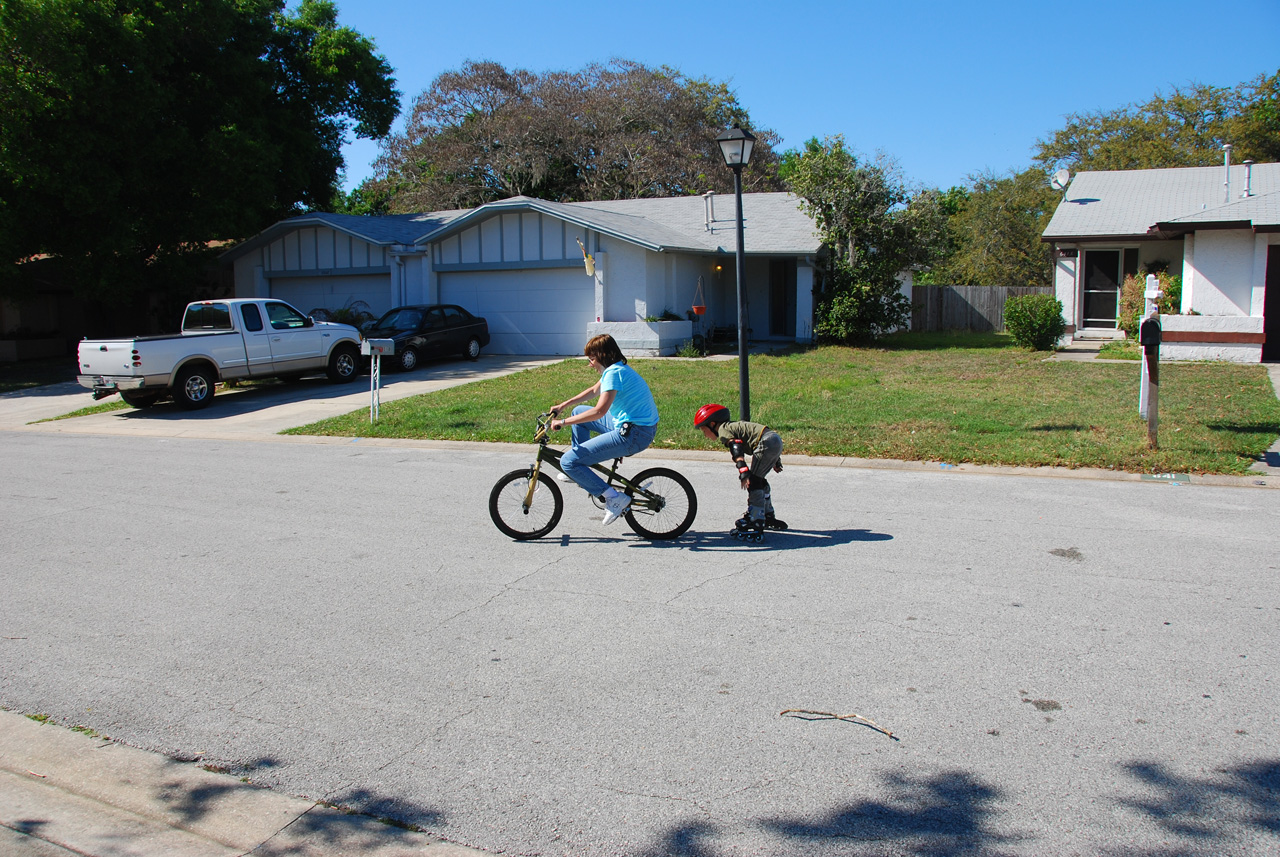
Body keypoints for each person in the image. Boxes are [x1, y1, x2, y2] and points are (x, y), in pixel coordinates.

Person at [550, 334, 659, 525]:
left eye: (592, 359)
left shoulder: (613, 373)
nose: (590, 364)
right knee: (579, 412)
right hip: (635, 427)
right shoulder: (616, 369)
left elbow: (599, 411)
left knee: (568, 462)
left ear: (603, 355)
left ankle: (614, 498)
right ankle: (583, 467)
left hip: (635, 434)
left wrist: (564, 422)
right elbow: (593, 391)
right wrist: (563, 405)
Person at [693, 403, 787, 540]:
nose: (705, 435)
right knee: (760, 481)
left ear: (712, 424)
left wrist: (743, 470)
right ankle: (767, 514)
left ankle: (756, 519)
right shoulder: (733, 426)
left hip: (766, 442)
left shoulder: (724, 429)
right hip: (774, 439)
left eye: (703, 430)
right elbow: (764, 435)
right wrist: (776, 460)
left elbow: (735, 446)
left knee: (754, 483)